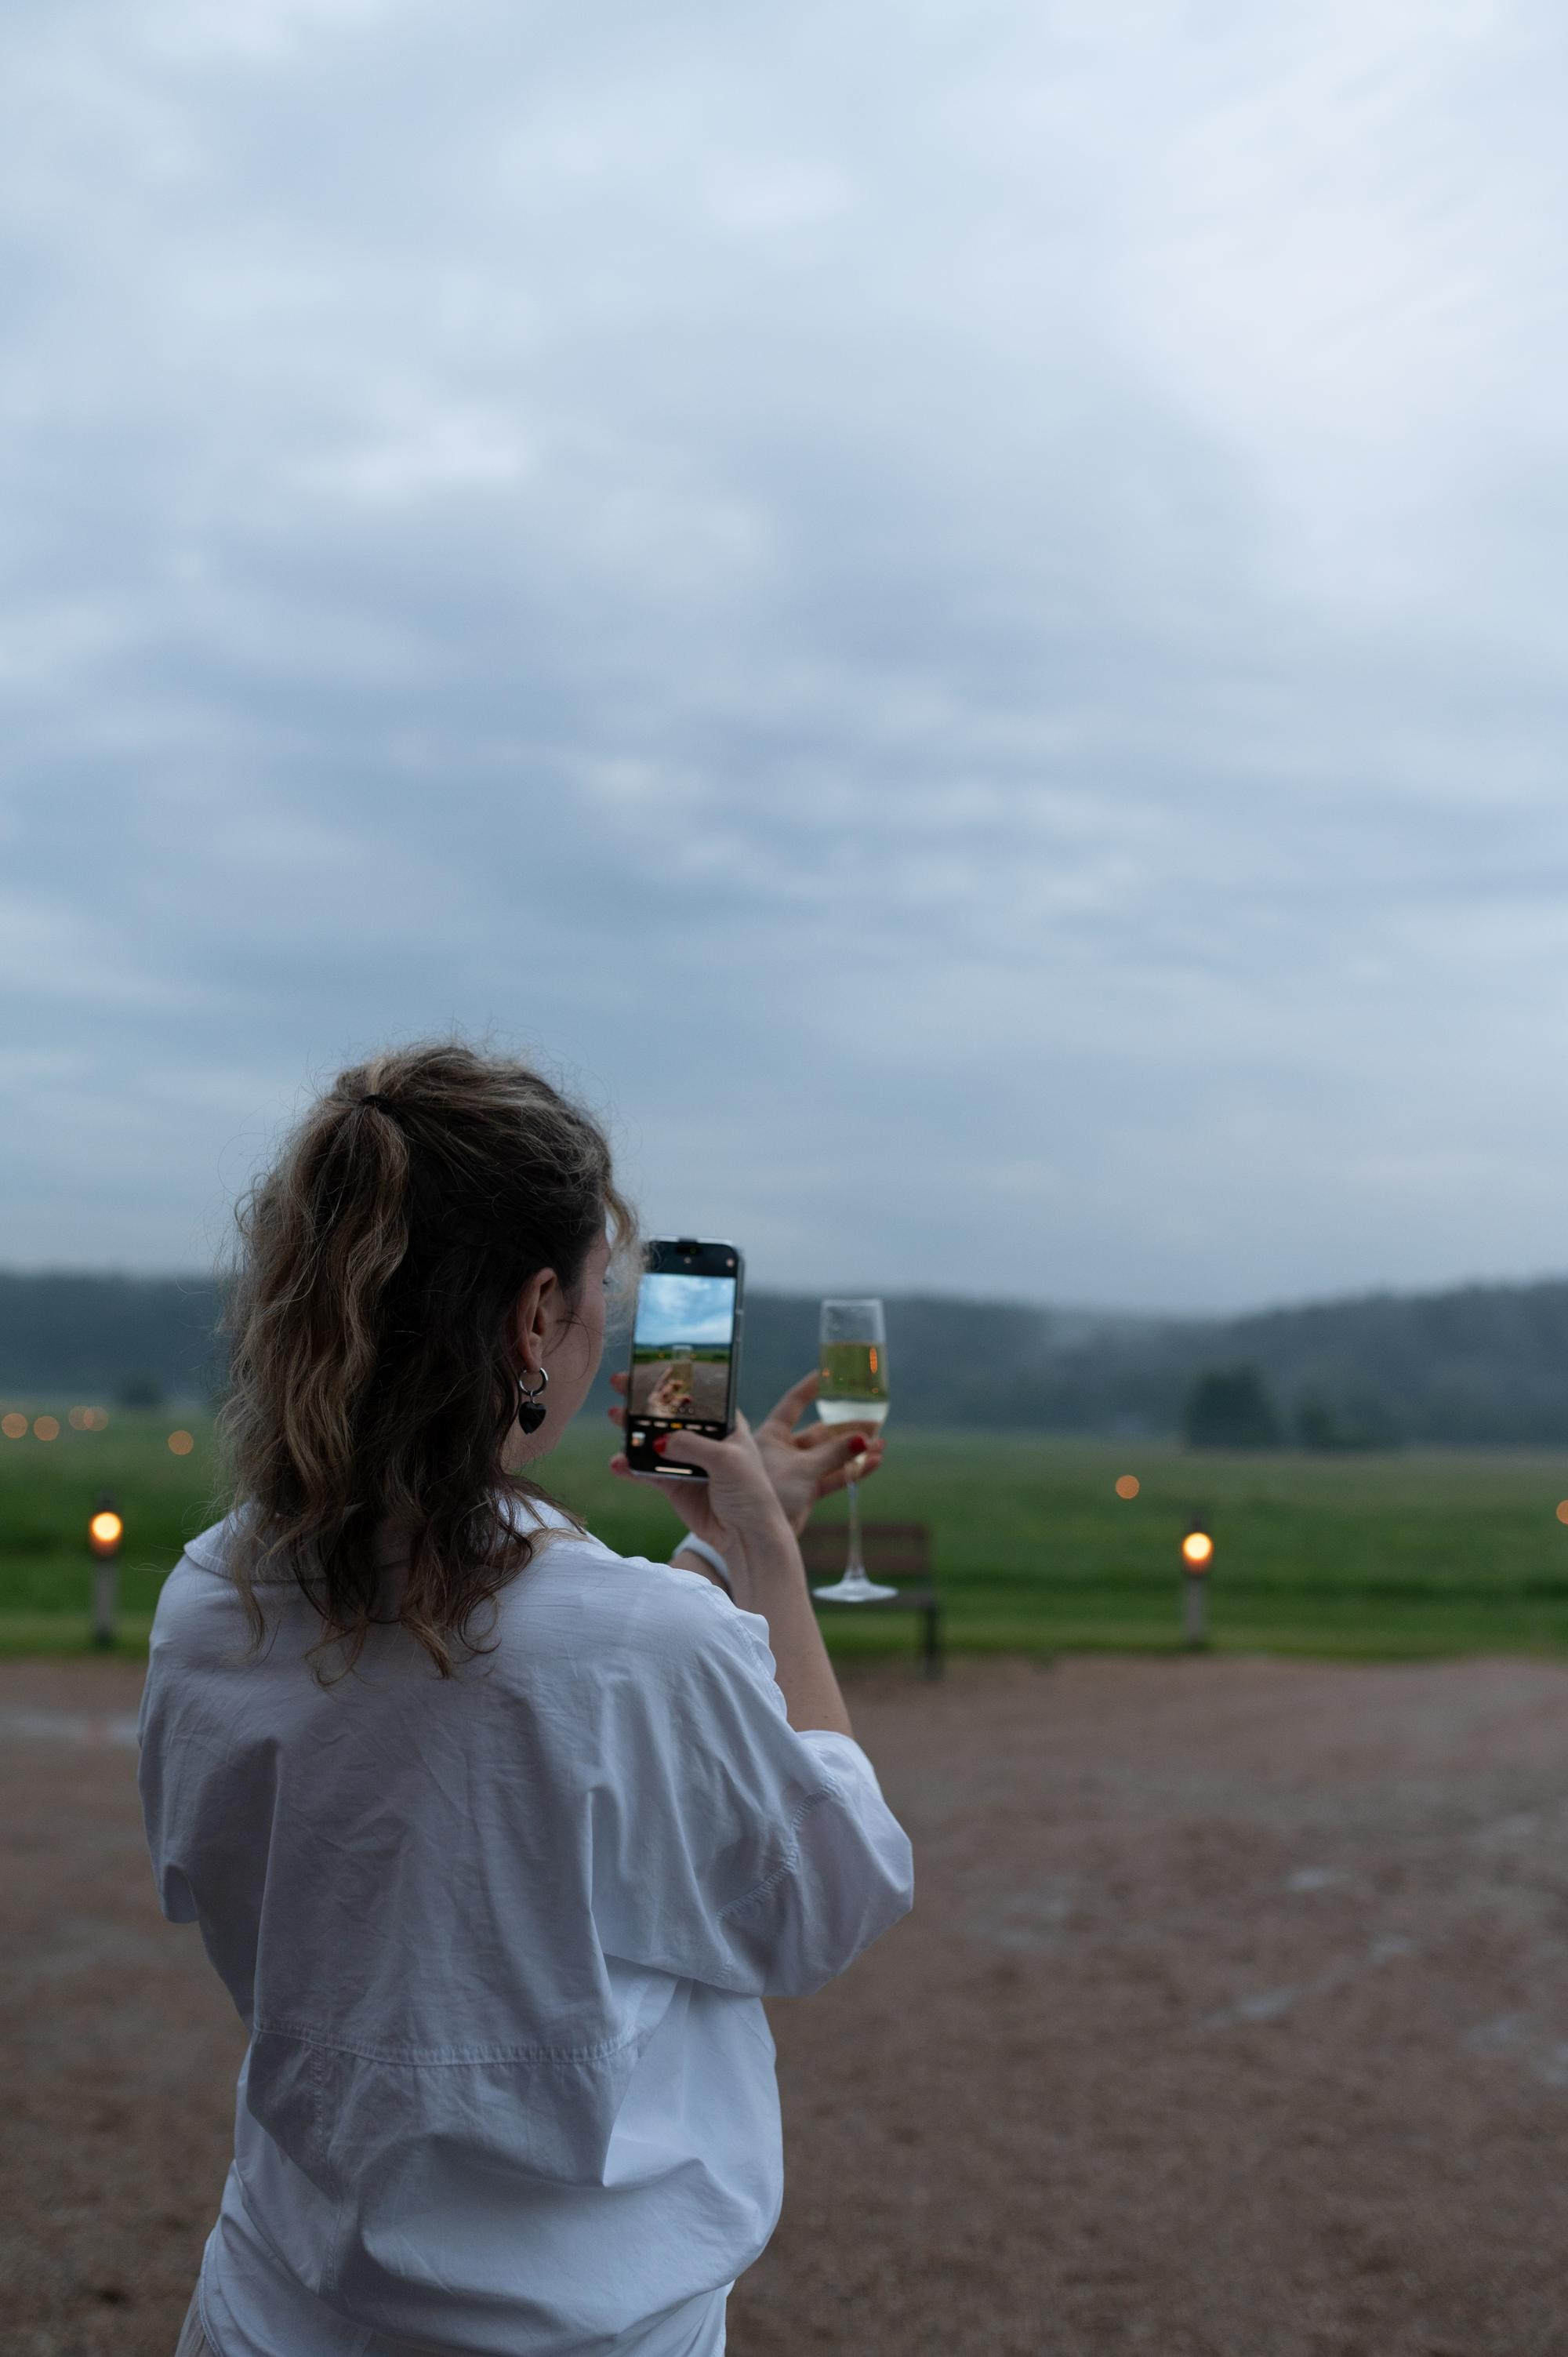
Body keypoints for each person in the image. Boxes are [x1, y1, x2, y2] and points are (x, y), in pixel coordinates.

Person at [139, 1042, 913, 2357]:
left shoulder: (215, 1599)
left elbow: (536, 1715)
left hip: (280, 2304)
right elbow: (831, 1891)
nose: (606, 1320)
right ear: (533, 1315)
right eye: (601, 1289)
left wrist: (718, 1551)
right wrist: (769, 1556)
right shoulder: (632, 1641)